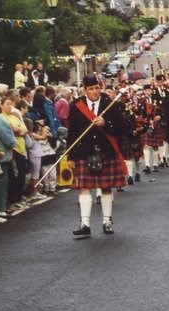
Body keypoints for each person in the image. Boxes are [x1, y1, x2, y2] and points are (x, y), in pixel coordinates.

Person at [67, 75, 128, 236]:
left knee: (106, 188)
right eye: (91, 89)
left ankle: (107, 221)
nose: (95, 92)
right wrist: (70, 156)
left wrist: (106, 123)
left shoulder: (110, 104)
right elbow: (72, 133)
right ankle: (84, 223)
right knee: (84, 188)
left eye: (97, 88)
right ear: (85, 90)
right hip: (84, 151)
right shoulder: (76, 106)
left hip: (106, 150)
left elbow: (121, 129)